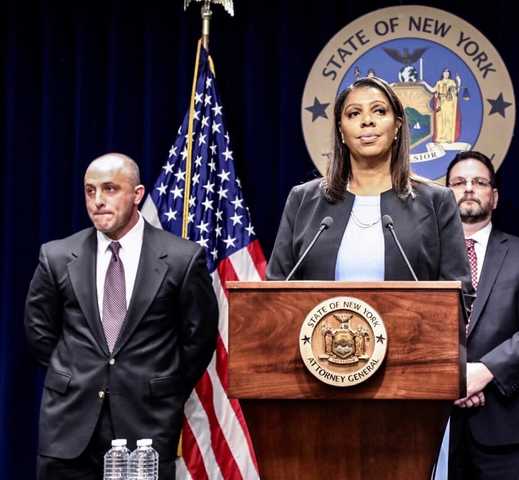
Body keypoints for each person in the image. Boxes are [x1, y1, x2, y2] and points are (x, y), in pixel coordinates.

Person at [24, 153, 218, 480]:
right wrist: (74, 371)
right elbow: (38, 332)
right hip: (69, 428)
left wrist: (156, 382)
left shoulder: (183, 259)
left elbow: (198, 340)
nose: (97, 200)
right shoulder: (56, 256)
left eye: (110, 189)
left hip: (146, 425)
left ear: (137, 194)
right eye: (90, 191)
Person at [266, 76, 471, 290]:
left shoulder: (437, 201)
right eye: (354, 113)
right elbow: (275, 290)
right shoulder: (303, 199)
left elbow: (458, 294)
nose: (367, 121)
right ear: (341, 131)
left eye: (379, 111)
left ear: (398, 125)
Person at [446, 151, 519, 479]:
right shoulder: (422, 257)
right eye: (458, 182)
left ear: (494, 197)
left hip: (510, 424)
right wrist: (452, 380)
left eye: (479, 182)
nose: (469, 188)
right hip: (436, 424)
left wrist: (483, 372)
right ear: (443, 197)